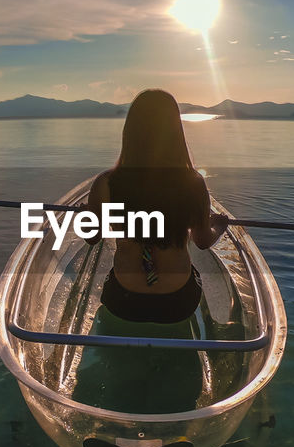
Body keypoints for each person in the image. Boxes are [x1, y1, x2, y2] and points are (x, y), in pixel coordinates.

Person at [85, 89, 227, 324]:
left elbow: (92, 238)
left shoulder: (106, 183)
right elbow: (202, 241)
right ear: (175, 132)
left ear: (130, 131)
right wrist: (219, 227)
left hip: (124, 302)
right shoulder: (193, 182)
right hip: (178, 304)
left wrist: (86, 216)